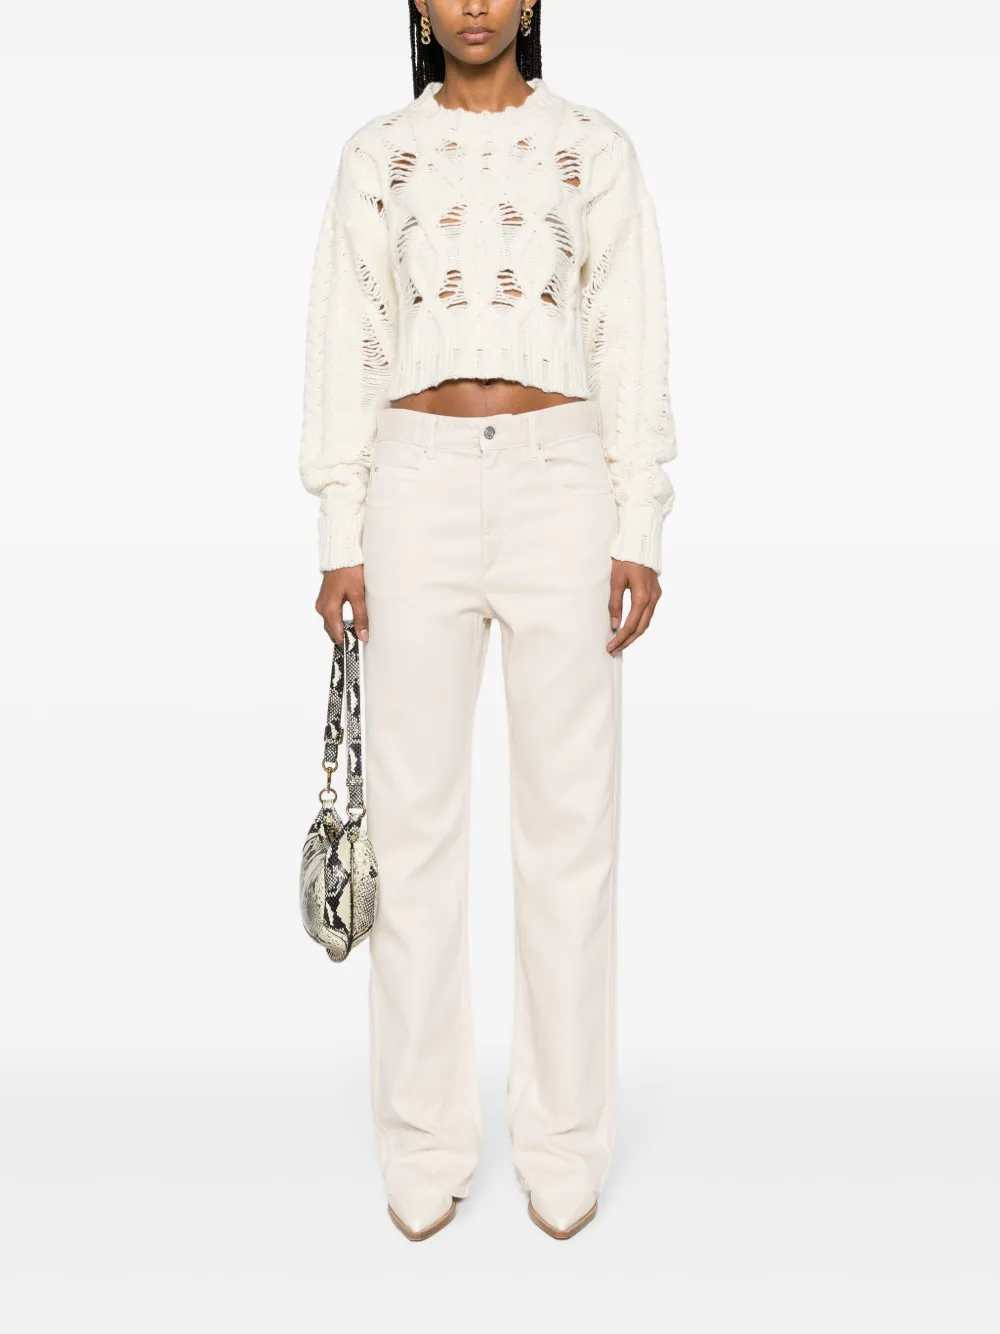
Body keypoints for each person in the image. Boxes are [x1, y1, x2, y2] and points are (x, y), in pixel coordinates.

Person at [299, 0, 677, 1242]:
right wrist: (340, 529)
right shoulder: (378, 156)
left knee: (570, 827)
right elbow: (348, 339)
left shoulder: (592, 148)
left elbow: (628, 338)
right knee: (412, 829)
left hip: (562, 479)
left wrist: (639, 519)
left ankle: (562, 1138)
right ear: (416, 5)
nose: (472, 3)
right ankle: (424, 1138)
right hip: (412, 483)